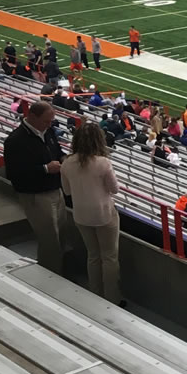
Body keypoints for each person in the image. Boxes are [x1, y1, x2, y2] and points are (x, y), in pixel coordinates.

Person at [61, 121, 122, 304]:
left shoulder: (67, 163)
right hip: (103, 214)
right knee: (109, 257)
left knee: (93, 255)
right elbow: (115, 189)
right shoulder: (103, 163)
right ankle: (112, 298)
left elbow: (67, 191)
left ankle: (96, 294)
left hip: (81, 214)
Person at [3, 101, 67, 273]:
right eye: (46, 121)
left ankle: (57, 271)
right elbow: (15, 174)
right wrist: (46, 169)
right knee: (49, 239)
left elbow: (58, 152)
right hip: (35, 195)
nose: (49, 124)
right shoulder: (15, 141)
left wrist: (64, 159)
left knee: (61, 234)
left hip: (55, 190)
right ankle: (51, 276)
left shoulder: (48, 132)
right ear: (32, 117)